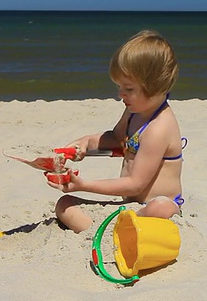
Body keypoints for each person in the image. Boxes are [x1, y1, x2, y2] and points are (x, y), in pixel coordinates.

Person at [47, 30, 185, 233]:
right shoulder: (133, 111)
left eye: (128, 89)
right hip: (128, 206)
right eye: (119, 86)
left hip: (152, 206)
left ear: (156, 87)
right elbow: (116, 139)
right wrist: (86, 143)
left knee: (161, 207)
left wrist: (83, 185)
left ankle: (119, 230)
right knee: (64, 204)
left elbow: (135, 184)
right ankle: (116, 231)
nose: (120, 94)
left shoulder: (159, 127)